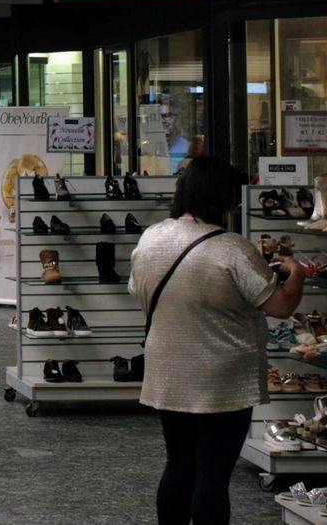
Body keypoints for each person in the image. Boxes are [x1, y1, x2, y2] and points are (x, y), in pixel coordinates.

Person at [130, 156, 304, 524]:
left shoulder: (150, 239)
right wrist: (296, 273)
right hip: (223, 379)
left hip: (167, 371)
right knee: (213, 474)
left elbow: (138, 291)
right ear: (221, 198)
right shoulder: (232, 248)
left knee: (179, 463)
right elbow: (280, 306)